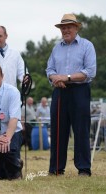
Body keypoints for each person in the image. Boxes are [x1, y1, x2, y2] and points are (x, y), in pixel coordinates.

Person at [46, 13, 96, 176]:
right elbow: (49, 70)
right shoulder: (56, 47)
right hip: (59, 91)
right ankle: (56, 169)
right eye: (63, 27)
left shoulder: (87, 46)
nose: (65, 30)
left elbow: (89, 72)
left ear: (76, 28)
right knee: (58, 129)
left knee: (81, 129)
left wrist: (66, 77)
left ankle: (83, 168)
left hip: (80, 90)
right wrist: (55, 78)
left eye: (69, 27)